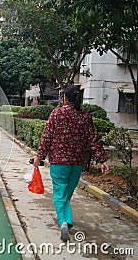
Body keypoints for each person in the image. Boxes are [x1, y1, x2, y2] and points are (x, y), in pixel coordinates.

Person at [33, 85, 109, 242]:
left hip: (59, 161)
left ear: (65, 98)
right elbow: (93, 139)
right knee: (67, 191)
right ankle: (64, 217)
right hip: (77, 162)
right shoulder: (85, 116)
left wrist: (39, 156)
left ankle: (64, 222)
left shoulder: (57, 113)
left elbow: (46, 136)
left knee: (60, 192)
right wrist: (102, 160)